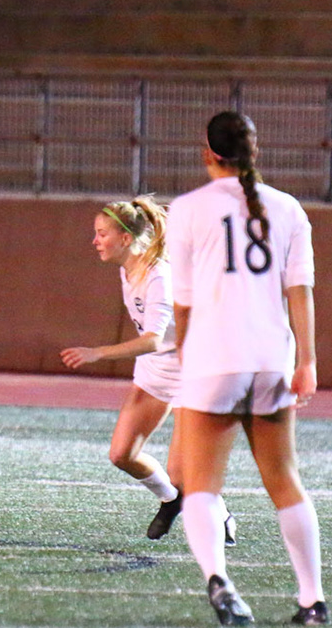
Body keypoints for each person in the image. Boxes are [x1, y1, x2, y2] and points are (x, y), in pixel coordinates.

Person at [163, 111, 326, 626]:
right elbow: (300, 292)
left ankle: (220, 580)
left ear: (208, 152)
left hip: (214, 359)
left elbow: (184, 302)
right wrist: (307, 360)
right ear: (254, 151)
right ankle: (312, 601)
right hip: (270, 360)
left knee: (202, 485)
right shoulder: (288, 208)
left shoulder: (187, 209)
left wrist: (185, 354)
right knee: (285, 481)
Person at [59, 196, 234, 548]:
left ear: (125, 238)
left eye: (102, 234)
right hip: (156, 370)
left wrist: (97, 353)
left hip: (192, 372)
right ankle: (171, 500)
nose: (95, 241)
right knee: (121, 454)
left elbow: (153, 339)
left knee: (184, 474)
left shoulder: (159, 278)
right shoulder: (127, 269)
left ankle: (220, 515)